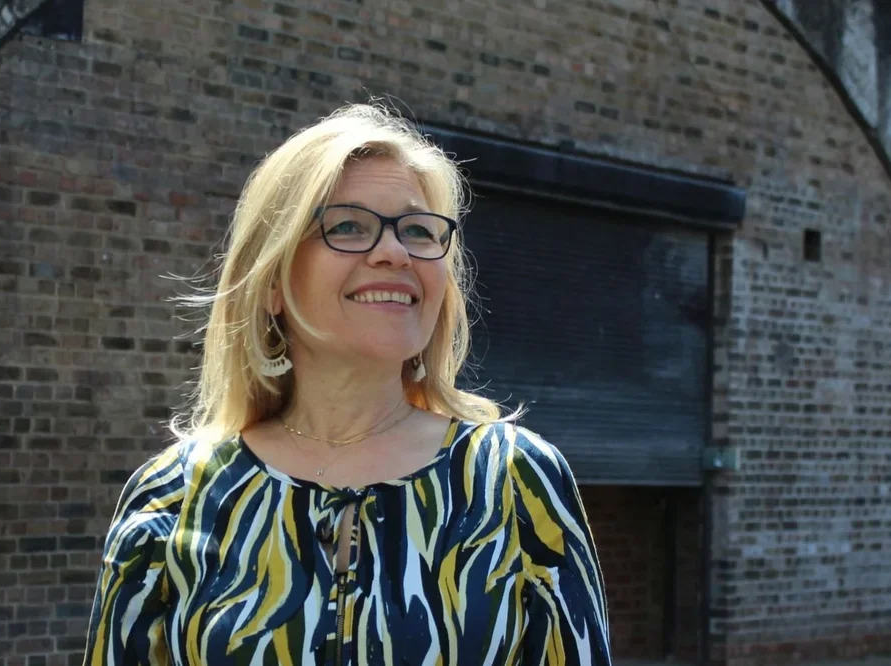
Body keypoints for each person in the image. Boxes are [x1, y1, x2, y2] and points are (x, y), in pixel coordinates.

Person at [83, 104, 611, 665]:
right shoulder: (175, 495)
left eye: (417, 230)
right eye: (348, 226)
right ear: (271, 284)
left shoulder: (511, 481)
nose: (395, 252)